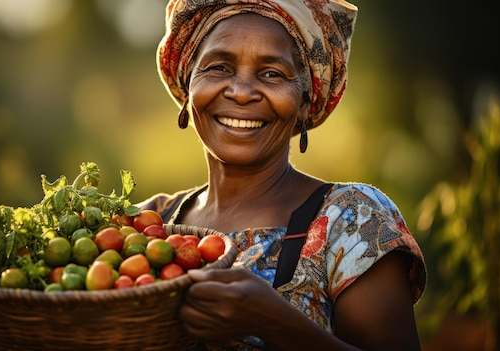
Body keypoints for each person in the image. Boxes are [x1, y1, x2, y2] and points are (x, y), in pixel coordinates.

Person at [137, 0, 427, 350]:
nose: (241, 92)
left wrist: (276, 323)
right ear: (188, 85)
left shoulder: (352, 220)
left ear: (305, 101)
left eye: (272, 73)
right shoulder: (146, 225)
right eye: (219, 67)